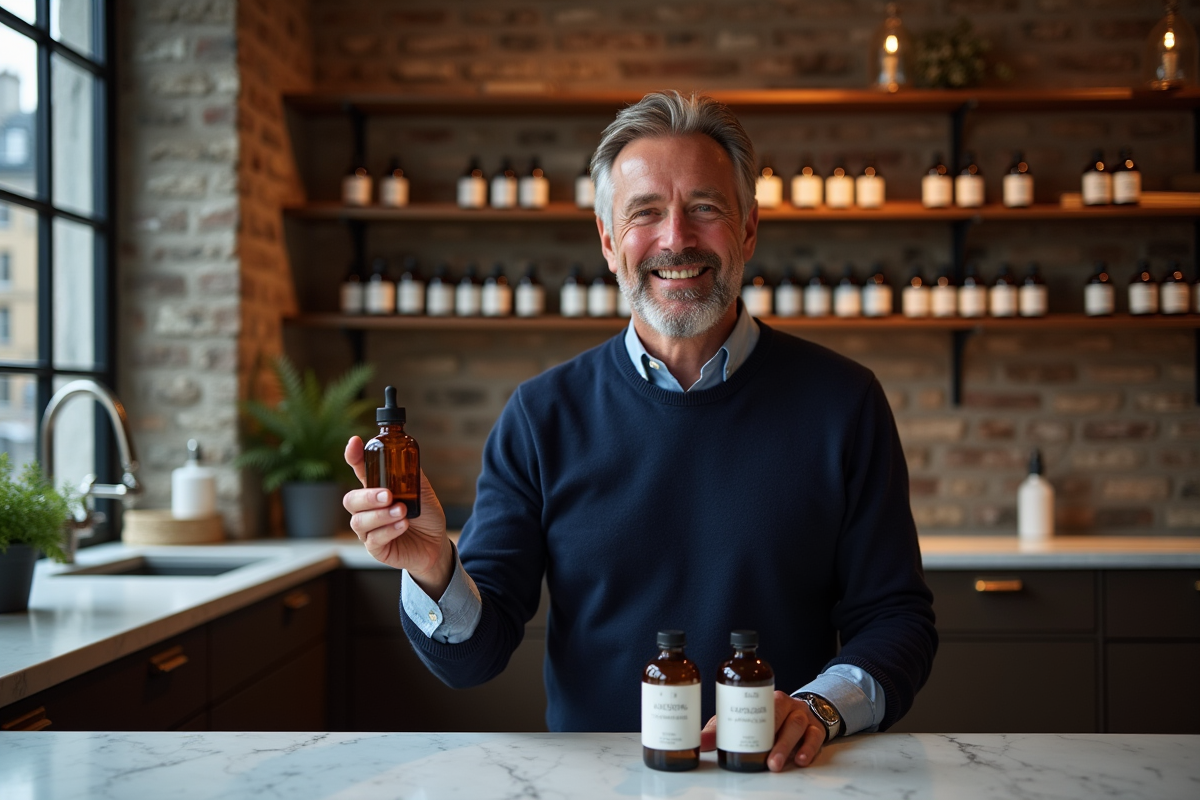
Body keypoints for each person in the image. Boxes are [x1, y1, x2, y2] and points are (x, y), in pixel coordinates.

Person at [343, 91, 937, 772]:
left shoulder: (845, 401)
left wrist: (818, 710)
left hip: (782, 778)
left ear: (747, 231)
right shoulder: (542, 416)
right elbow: (476, 657)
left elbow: (897, 620)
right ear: (606, 240)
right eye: (645, 212)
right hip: (594, 783)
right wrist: (432, 569)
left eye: (706, 208)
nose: (676, 238)